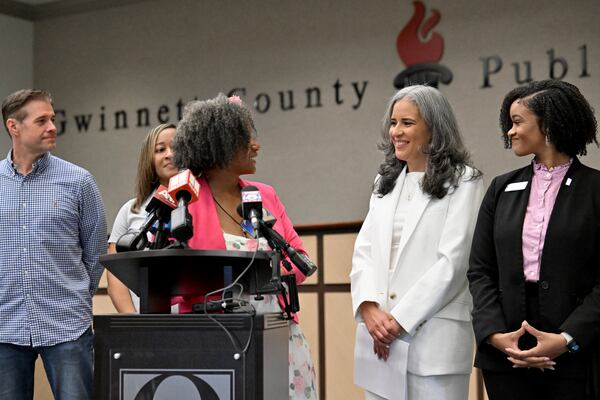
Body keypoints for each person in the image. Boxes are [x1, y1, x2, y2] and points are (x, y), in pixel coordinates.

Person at [172, 93, 318, 399]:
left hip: (278, 334)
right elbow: (173, 279)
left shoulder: (265, 195)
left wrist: (263, 272)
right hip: (213, 339)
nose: (256, 145)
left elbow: (300, 263)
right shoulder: (184, 202)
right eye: (246, 138)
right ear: (219, 144)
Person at [468, 80, 600, 400]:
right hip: (506, 355)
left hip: (573, 356)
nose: (509, 132)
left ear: (550, 124)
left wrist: (567, 338)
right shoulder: (501, 189)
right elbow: (480, 270)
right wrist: (495, 334)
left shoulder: (595, 189)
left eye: (516, 122)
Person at [350, 85, 484, 400]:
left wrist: (400, 320)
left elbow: (453, 263)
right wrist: (369, 308)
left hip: (435, 344)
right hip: (380, 342)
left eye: (407, 123)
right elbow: (364, 252)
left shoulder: (465, 182)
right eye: (393, 123)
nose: (396, 131)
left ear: (434, 128)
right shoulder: (384, 184)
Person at [0, 89, 107, 399]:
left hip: (66, 325)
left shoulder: (79, 181)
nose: (52, 127)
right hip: (5, 325)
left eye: (53, 118)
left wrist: (76, 295)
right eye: (42, 120)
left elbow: (96, 249)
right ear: (14, 127)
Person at [107, 123, 178, 313]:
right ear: (150, 159)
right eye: (160, 149)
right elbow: (116, 273)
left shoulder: (205, 206)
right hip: (144, 319)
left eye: (176, 146)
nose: (169, 154)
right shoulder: (131, 210)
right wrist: (132, 320)